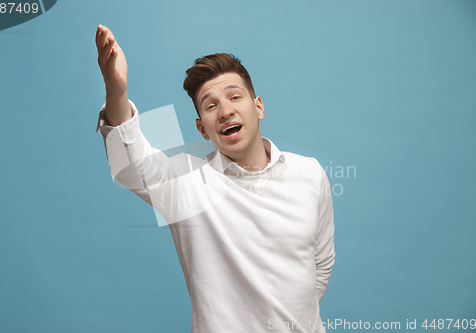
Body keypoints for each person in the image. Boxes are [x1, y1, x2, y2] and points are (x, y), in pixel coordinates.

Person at [95, 24, 335, 333]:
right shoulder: (188, 180)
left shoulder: (310, 172)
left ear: (258, 107)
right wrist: (117, 91)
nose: (225, 111)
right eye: (211, 105)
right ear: (202, 129)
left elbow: (321, 264)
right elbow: (129, 163)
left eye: (234, 97)